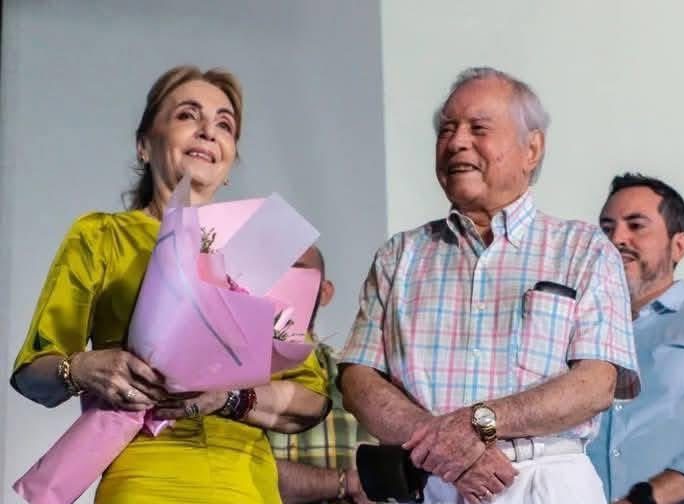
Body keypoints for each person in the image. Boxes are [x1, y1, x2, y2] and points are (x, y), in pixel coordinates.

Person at [10, 65, 329, 504]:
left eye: (224, 124)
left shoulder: (262, 249)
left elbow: (311, 400)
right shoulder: (102, 236)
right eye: (187, 115)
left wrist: (231, 398)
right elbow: (32, 376)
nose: (208, 130)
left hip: (246, 486)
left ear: (230, 161)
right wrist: (82, 369)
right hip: (144, 480)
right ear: (144, 144)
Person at [339, 67, 640, 504]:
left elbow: (595, 384)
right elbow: (358, 379)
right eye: (447, 129)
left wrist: (477, 424)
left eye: (478, 128)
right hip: (430, 481)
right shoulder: (399, 255)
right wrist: (443, 447)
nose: (457, 142)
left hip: (543, 481)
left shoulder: (583, 249)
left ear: (531, 149)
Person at [588, 173, 684, 504]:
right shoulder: (580, 332)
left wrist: (646, 498)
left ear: (679, 246)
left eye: (636, 225)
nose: (617, 239)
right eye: (606, 228)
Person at [267, 246, 374, 504]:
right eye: (275, 273)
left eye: (298, 272)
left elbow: (378, 484)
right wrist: (346, 483)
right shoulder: (225, 379)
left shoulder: (357, 379)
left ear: (325, 292)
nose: (285, 283)